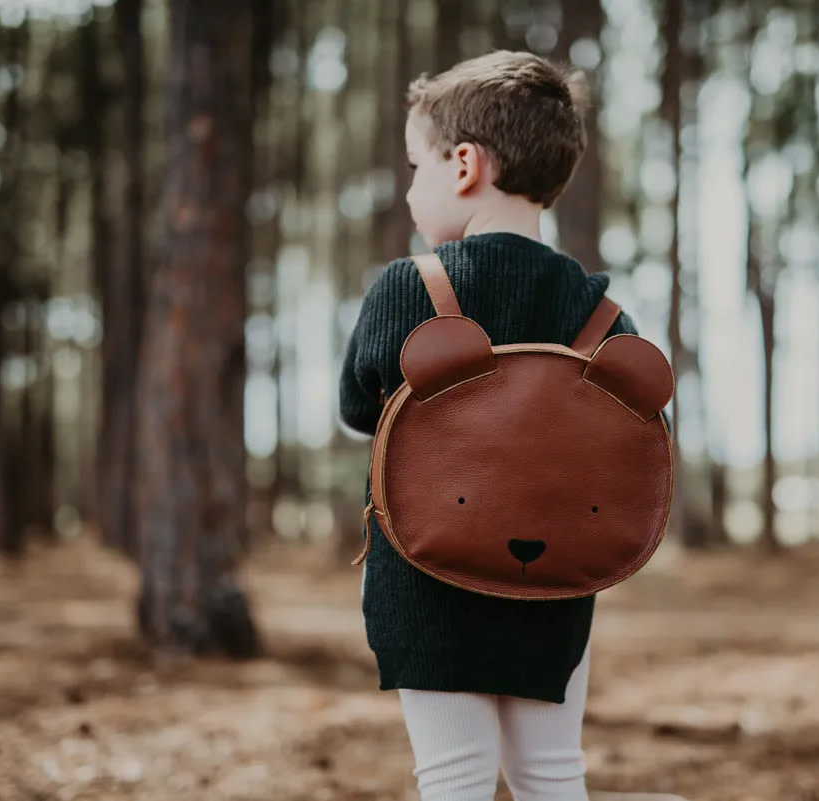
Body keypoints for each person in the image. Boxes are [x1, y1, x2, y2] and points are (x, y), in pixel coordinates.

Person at [338, 49, 658, 801]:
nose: (412, 187)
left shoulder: (407, 286)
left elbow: (360, 409)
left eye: (416, 165)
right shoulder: (601, 309)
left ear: (463, 165)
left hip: (425, 578)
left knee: (454, 779)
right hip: (555, 582)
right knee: (552, 774)